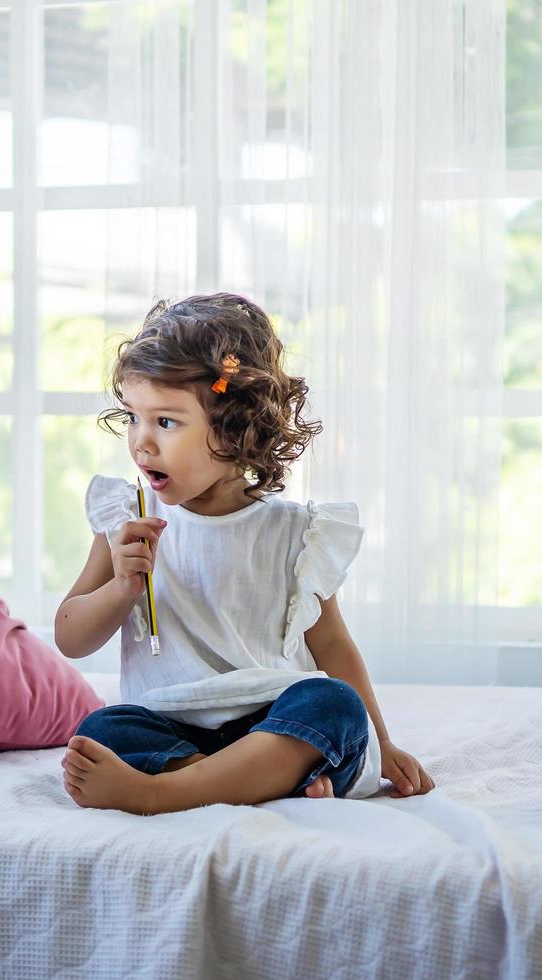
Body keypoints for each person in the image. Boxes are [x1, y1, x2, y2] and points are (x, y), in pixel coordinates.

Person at [54, 292, 434, 815]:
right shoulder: (124, 519)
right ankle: (260, 780)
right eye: (133, 418)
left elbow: (334, 647)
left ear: (235, 430)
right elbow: (70, 637)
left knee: (333, 706)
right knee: (103, 729)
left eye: (165, 422)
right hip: (174, 723)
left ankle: (162, 792)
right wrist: (121, 585)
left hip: (272, 718)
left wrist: (383, 742)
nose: (141, 442)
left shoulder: (297, 532)